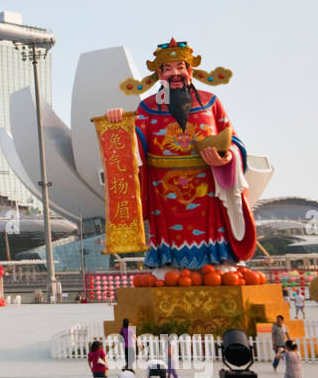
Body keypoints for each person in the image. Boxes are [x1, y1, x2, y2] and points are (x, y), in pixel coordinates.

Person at [104, 39, 257, 271]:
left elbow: (234, 140)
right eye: (167, 69)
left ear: (190, 71)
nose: (175, 74)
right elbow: (132, 144)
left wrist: (227, 157)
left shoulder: (210, 103)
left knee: (214, 236)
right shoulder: (147, 107)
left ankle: (219, 260)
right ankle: (168, 264)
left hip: (207, 188)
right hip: (163, 191)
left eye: (180, 67)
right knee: (168, 243)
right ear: (159, 74)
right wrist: (118, 122)